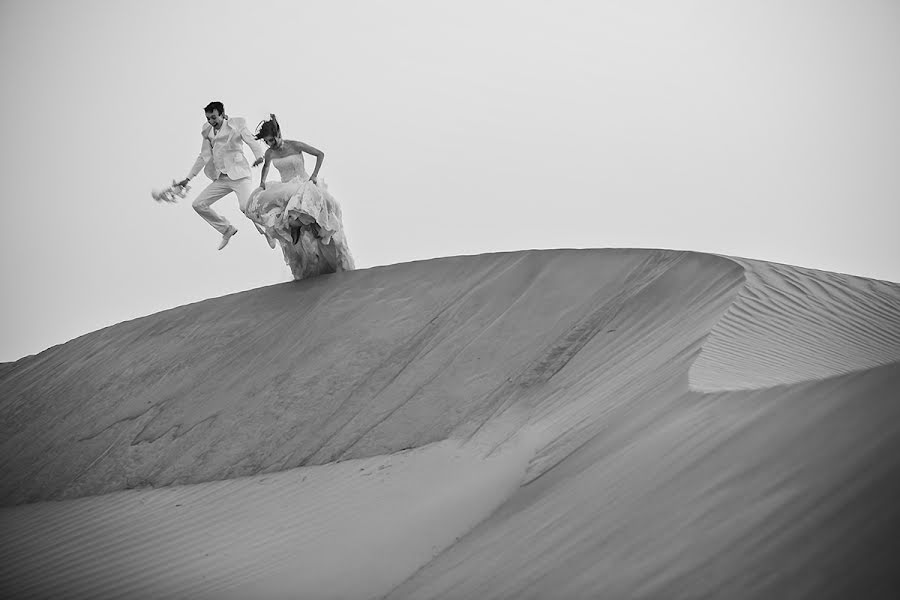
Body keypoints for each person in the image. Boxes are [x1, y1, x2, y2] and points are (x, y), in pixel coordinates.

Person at [246, 114, 354, 280]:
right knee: (281, 214)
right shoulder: (269, 153)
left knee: (315, 206)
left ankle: (317, 231)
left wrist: (314, 175)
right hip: (285, 188)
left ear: (278, 134)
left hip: (303, 183)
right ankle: (298, 232)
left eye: (271, 140)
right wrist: (262, 182)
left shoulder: (295, 145)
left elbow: (320, 154)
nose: (270, 144)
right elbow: (266, 168)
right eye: (267, 142)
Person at [176, 101, 268, 250]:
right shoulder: (207, 131)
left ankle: (268, 231)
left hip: (240, 175)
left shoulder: (236, 124)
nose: (212, 122)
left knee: (245, 207)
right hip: (222, 178)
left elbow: (251, 140)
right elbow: (203, 156)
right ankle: (226, 229)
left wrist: (259, 155)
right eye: (208, 119)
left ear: (222, 114)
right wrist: (188, 178)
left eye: (214, 117)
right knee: (198, 204)